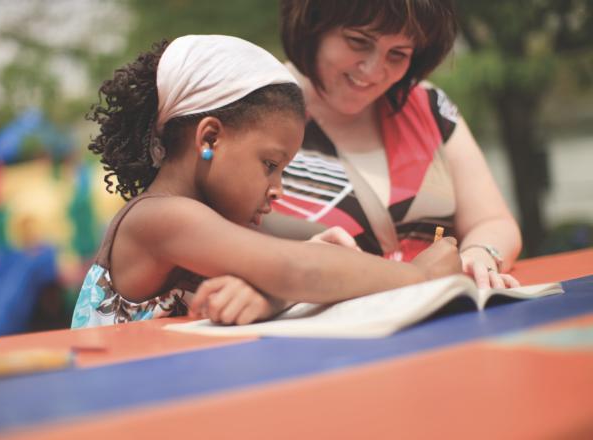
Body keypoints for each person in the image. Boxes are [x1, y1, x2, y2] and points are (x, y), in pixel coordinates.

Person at [71, 34, 462, 330]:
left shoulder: (208, 218)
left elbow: (291, 269)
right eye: (270, 164)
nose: (278, 188)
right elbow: (295, 270)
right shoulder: (161, 218)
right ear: (210, 138)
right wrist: (422, 276)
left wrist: (276, 285)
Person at [267, 0, 522, 289]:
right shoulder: (256, 112)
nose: (374, 70)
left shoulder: (429, 108)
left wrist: (481, 254)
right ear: (312, 24)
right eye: (358, 41)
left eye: (398, 54)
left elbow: (493, 221)